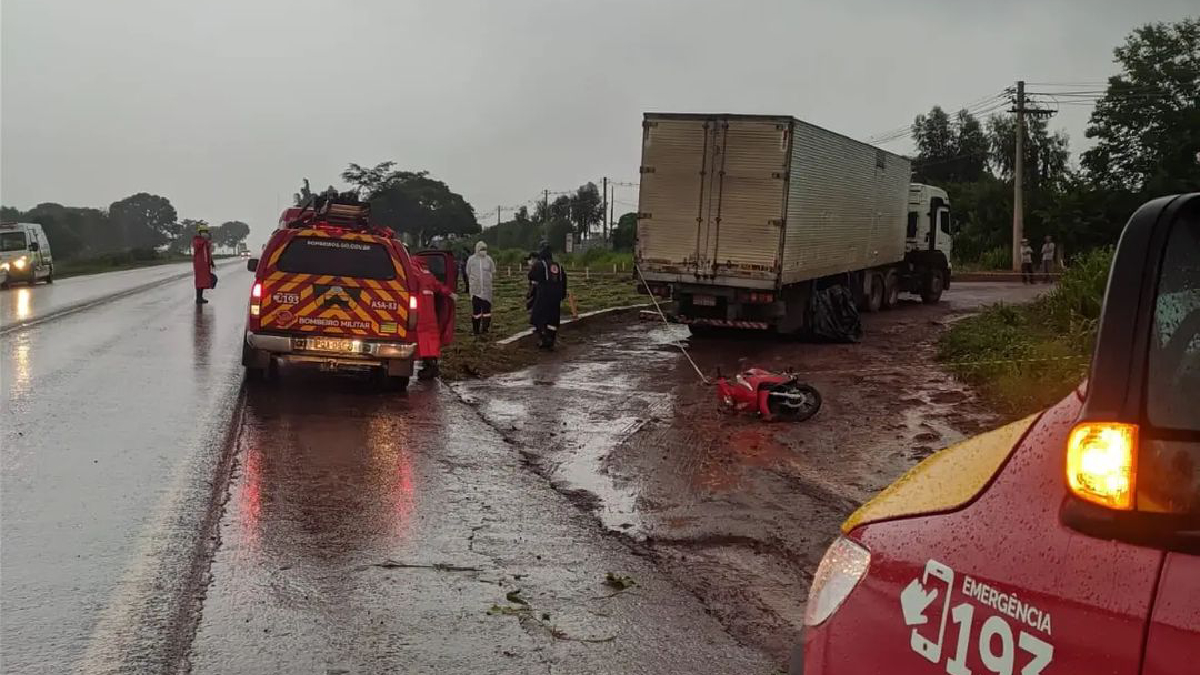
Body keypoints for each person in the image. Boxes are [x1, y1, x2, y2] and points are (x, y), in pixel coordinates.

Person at [414, 261, 455, 380]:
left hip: (419, 314)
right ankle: (432, 364)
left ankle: (429, 365)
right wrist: (451, 294)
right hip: (429, 314)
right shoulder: (430, 278)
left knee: (423, 339)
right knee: (431, 338)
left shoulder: (416, 276)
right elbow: (440, 287)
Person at [528, 242, 568, 350]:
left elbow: (531, 276)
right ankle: (551, 339)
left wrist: (532, 266)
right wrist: (562, 294)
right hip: (556, 297)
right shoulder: (558, 266)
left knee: (537, 317)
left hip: (544, 295)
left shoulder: (540, 265)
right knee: (553, 320)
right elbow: (564, 281)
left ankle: (544, 338)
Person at [466, 241, 495, 335]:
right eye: (481, 249)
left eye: (484, 249)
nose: (483, 251)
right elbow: (468, 272)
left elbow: (492, 271)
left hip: (487, 290)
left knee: (486, 311)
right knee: (476, 312)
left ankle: (485, 329)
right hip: (475, 290)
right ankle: (476, 330)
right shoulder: (471, 259)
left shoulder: (489, 259)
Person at [192, 223, 216, 304]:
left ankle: (200, 297)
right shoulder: (197, 240)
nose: (205, 233)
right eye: (203, 232)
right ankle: (198, 298)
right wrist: (205, 240)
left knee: (204, 281)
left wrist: (211, 262)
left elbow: (209, 253)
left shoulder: (206, 242)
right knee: (200, 281)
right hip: (199, 264)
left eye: (206, 232)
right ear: (200, 233)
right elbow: (198, 245)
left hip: (205, 265)